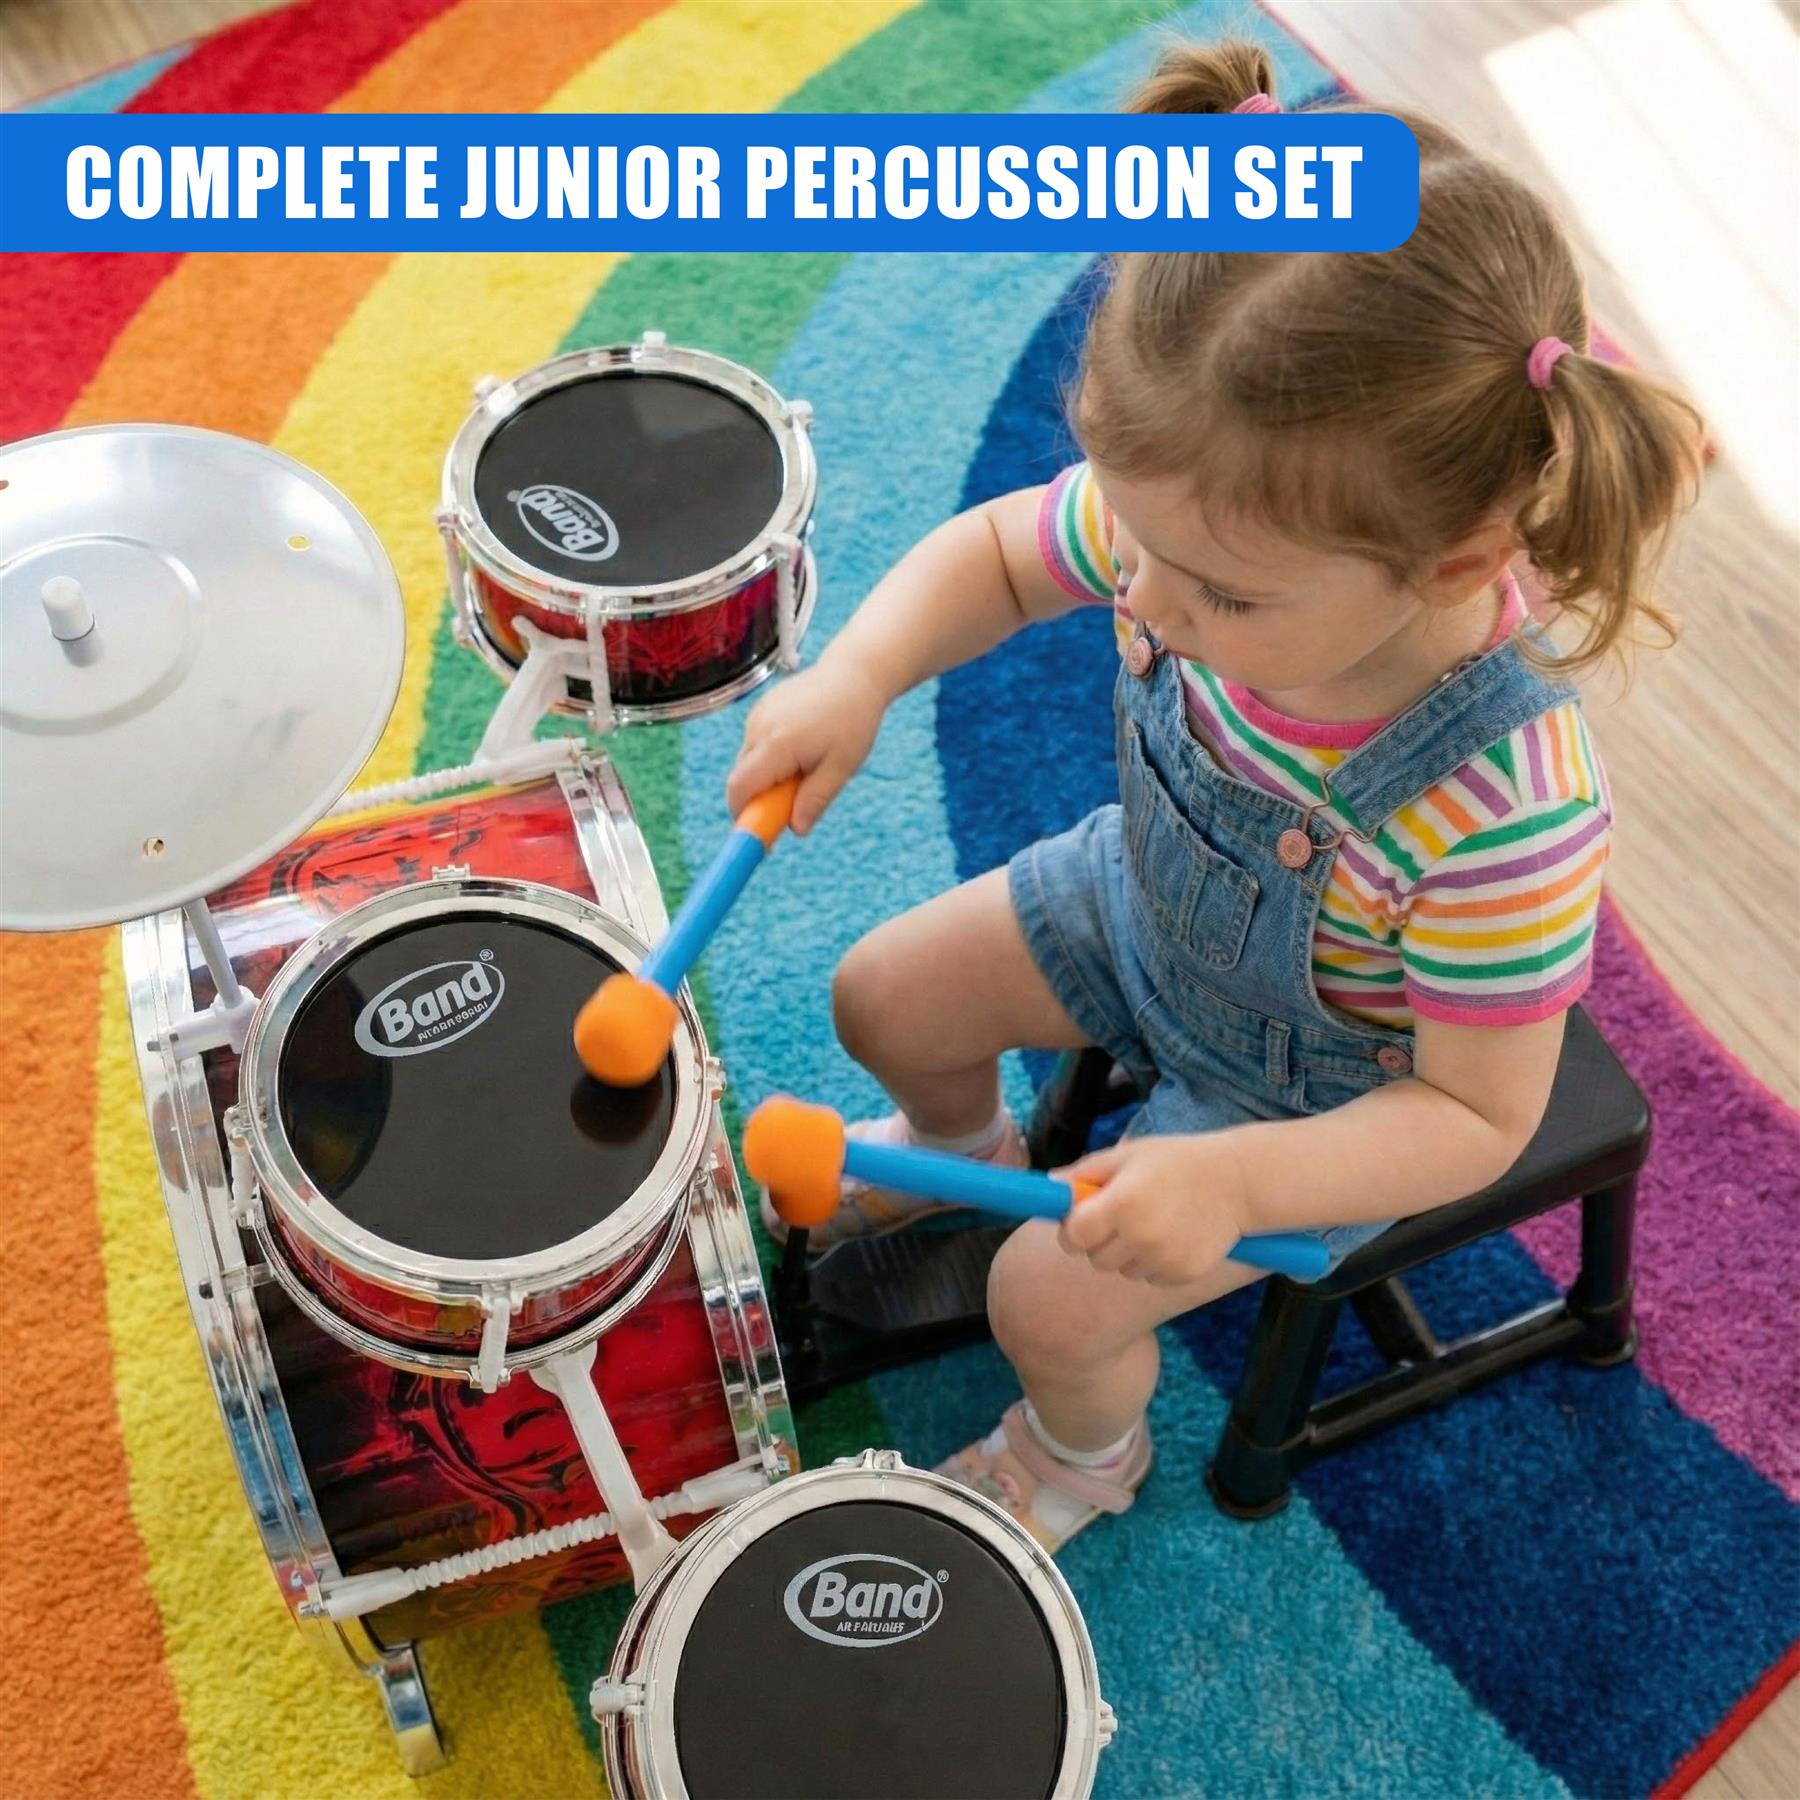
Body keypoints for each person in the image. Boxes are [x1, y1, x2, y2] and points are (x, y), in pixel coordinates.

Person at [728, 39, 1704, 1550]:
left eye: (1225, 598)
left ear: (1451, 561)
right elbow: (995, 558)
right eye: (1136, 542)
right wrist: (856, 676)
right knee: (882, 996)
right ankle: (978, 1163)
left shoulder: (1506, 811)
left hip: (1317, 1092)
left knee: (1047, 1297)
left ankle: (1076, 1459)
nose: (1153, 602)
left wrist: (1233, 1175)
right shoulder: (1205, 531)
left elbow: (1468, 1114)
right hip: (1142, 908)